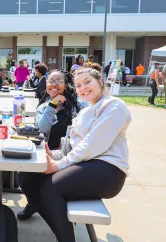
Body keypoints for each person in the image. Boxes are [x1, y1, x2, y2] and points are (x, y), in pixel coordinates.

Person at [19, 67, 131, 241]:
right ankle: (61, 231)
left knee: (51, 187)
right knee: (27, 178)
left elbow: (92, 145)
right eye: (78, 85)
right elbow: (69, 148)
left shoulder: (113, 105)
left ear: (100, 82)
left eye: (88, 82)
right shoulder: (85, 112)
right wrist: (52, 155)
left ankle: (65, 237)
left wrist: (59, 164)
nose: (83, 87)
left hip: (107, 170)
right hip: (83, 165)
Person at [17, 70, 84, 221]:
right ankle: (35, 204)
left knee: (50, 185)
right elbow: (41, 130)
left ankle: (56, 214)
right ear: (46, 85)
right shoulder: (44, 107)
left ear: (66, 84)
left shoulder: (77, 106)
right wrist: (52, 105)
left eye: (58, 81)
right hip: (45, 154)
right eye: (50, 81)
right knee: (23, 177)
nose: (54, 84)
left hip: (69, 156)